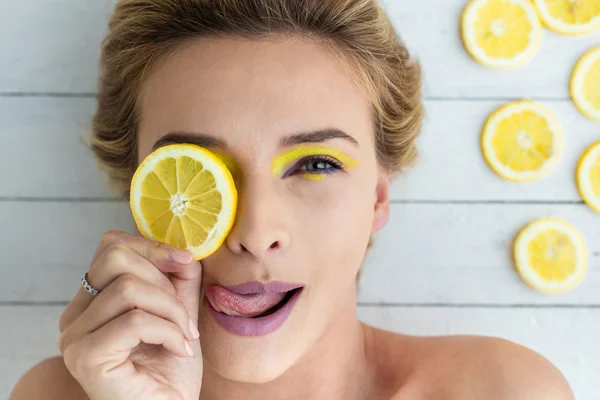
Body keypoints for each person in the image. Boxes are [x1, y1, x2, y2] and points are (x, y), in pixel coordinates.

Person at [10, 0, 574, 399]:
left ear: (377, 196)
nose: (256, 230)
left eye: (316, 164)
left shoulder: (506, 391)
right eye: (204, 171)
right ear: (147, 190)